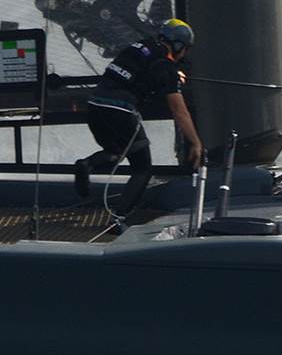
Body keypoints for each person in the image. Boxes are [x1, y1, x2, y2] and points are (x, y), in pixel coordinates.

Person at [72, 17, 205, 211]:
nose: (184, 55)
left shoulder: (140, 46)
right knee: (142, 169)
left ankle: (87, 164)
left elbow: (141, 71)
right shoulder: (166, 67)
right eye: (185, 49)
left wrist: (171, 76)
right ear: (178, 46)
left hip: (94, 107)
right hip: (121, 111)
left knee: (116, 152)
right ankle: (120, 217)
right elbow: (179, 111)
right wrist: (195, 142)